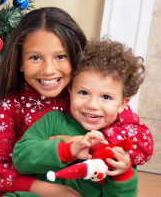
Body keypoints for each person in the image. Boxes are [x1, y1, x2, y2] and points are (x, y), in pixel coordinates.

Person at [0, 9, 151, 197]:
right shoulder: (10, 101)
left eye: (61, 57)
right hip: (21, 189)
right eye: (35, 57)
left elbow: (141, 141)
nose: (48, 69)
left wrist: (98, 144)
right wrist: (50, 183)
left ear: (76, 60)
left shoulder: (89, 96)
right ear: (20, 61)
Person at [12, 38, 154, 197]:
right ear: (70, 91)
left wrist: (123, 174)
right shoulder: (52, 120)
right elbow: (21, 159)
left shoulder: (115, 144)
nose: (92, 105)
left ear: (122, 104)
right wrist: (68, 149)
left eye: (106, 97)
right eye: (84, 93)